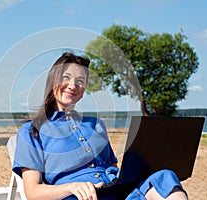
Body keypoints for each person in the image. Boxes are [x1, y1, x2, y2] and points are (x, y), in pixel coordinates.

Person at [12, 52, 188, 200]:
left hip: (119, 191)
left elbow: (113, 166)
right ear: (53, 81)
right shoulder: (32, 131)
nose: (73, 85)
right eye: (66, 77)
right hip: (79, 197)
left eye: (80, 80)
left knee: (165, 177)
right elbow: (33, 191)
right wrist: (72, 187)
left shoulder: (96, 124)